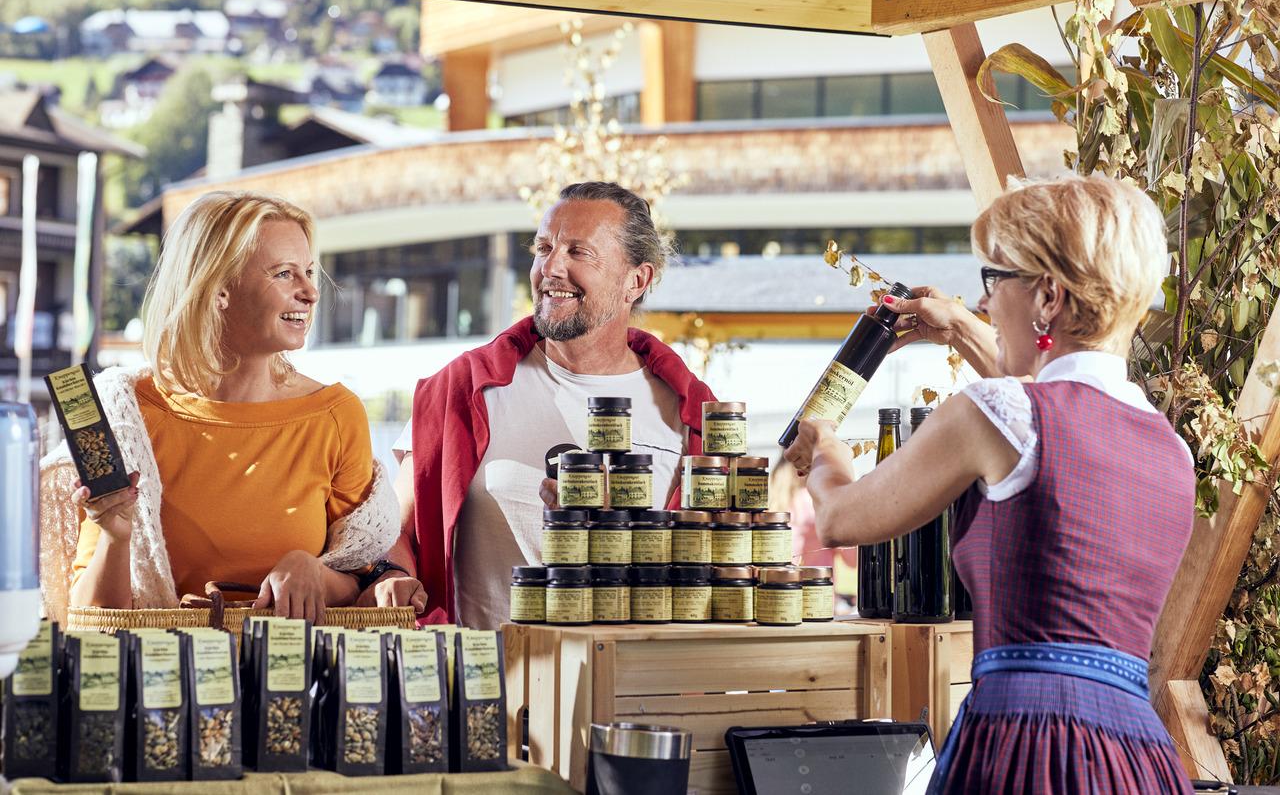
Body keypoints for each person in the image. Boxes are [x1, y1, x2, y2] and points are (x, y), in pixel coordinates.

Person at [785, 174, 1195, 794]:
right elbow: (1043, 404)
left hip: (1026, 743)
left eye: (994, 279)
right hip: (1135, 753)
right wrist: (957, 329)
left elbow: (841, 517)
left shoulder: (996, 414)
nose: (982, 301)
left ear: (1048, 295)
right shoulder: (1169, 447)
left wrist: (825, 448)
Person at [39, 191, 402, 625]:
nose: (310, 292)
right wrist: (116, 539)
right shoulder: (125, 414)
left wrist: (316, 573)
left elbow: (362, 582)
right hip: (165, 668)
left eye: (308, 272)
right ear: (218, 289)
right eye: (284, 274)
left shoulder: (336, 415)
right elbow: (90, 620)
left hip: (289, 667)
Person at [385, 181, 716, 628]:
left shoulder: (694, 415)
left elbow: (717, 567)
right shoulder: (462, 388)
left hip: (631, 668)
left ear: (636, 280)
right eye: (543, 248)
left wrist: (620, 535)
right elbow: (395, 530)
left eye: (579, 252)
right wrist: (393, 575)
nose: (551, 267)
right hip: (490, 669)